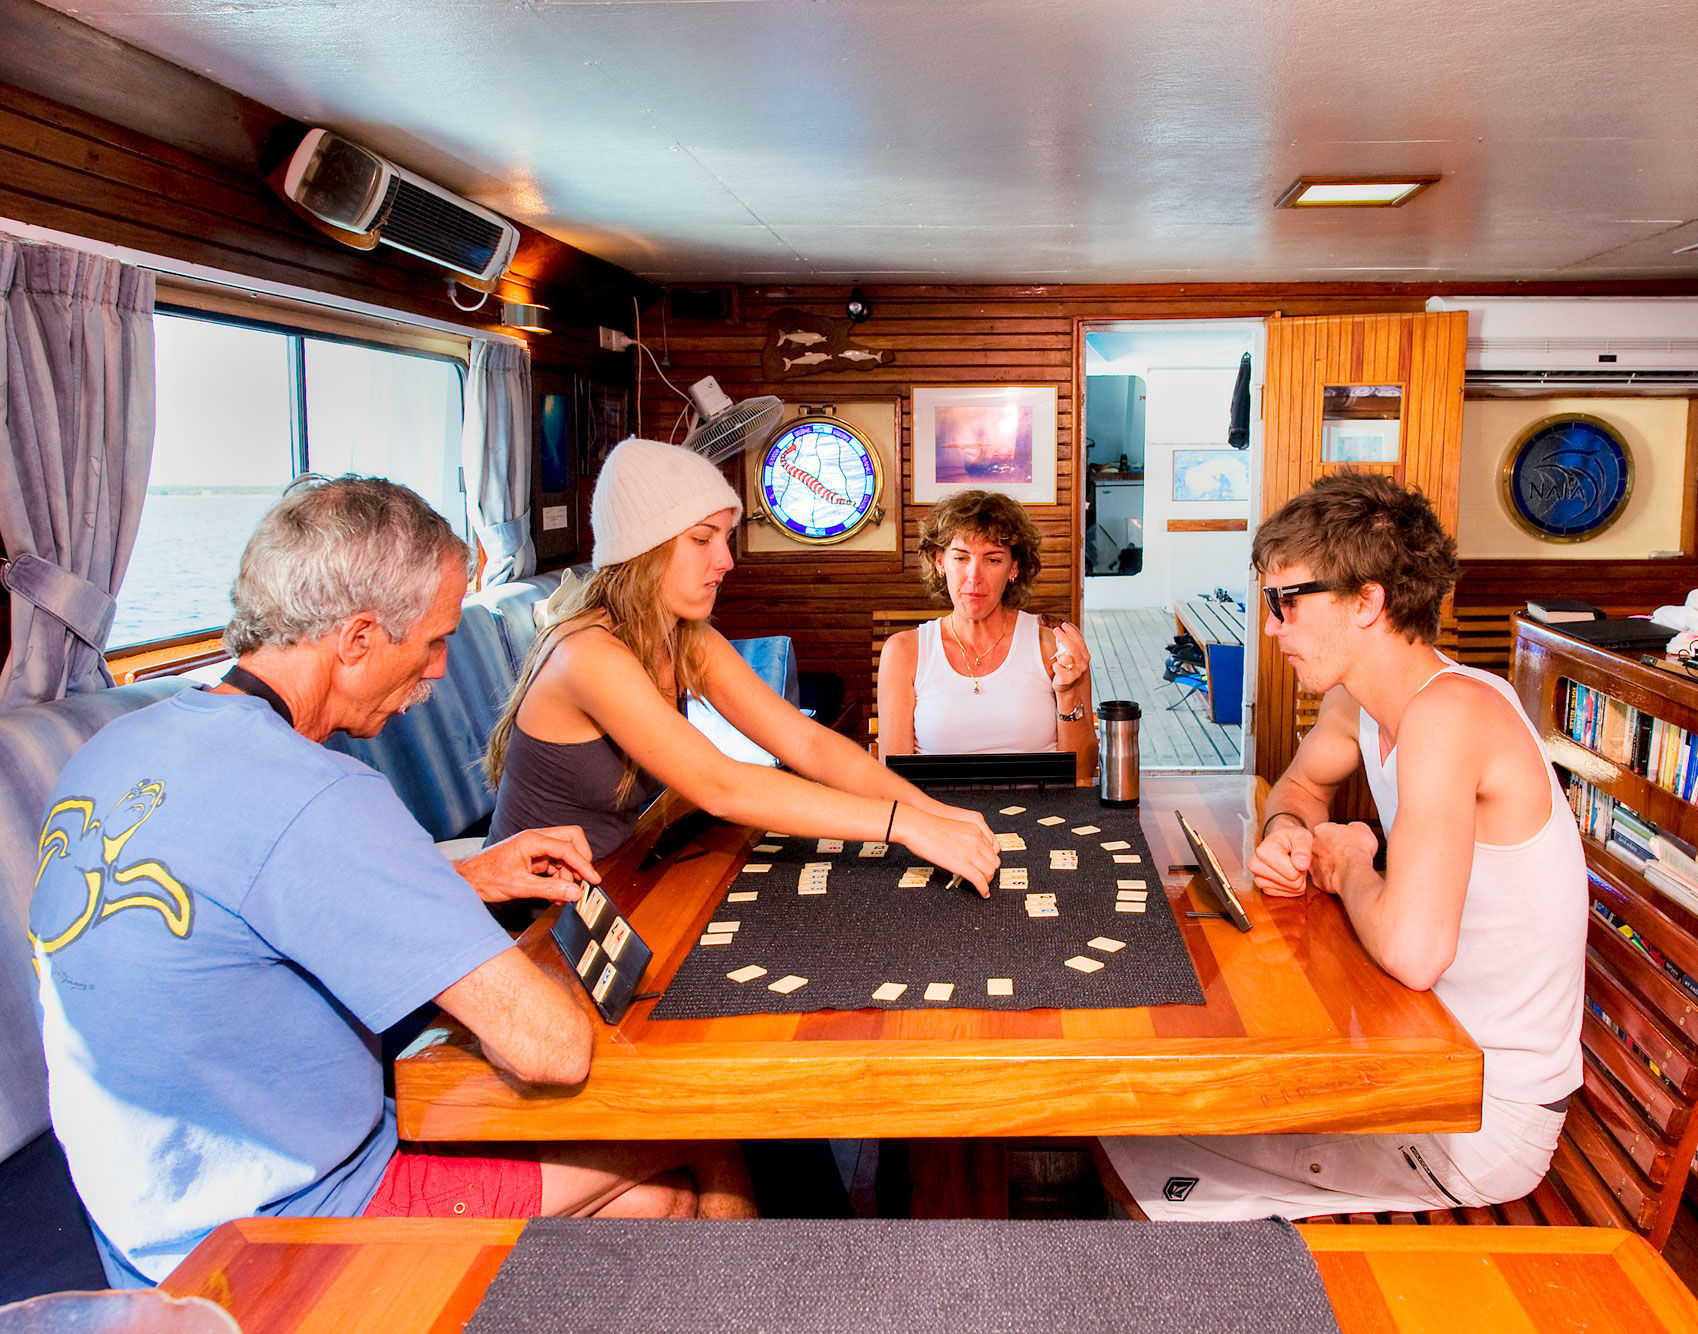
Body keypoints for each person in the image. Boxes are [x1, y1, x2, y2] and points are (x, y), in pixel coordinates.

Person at [30, 476, 755, 1289]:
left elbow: (237, 899)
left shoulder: (116, 752)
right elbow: (552, 1048)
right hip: (292, 1227)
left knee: (640, 1200)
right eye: (436, 639)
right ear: (358, 638)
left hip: (142, 1228)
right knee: (693, 1134)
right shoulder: (317, 795)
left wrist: (458, 876)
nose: (442, 668)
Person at [1099, 472, 1586, 1219]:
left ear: (1368, 601)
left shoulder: (1451, 715)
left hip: (1477, 1111)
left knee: (1124, 1130)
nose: (1271, 627)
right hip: (1421, 1056)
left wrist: (1352, 860)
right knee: (1138, 1115)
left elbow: (1415, 954)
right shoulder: (1358, 700)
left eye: (1287, 603)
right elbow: (1295, 790)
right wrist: (1290, 838)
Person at [485, 436, 999, 893]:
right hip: (532, 918)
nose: (726, 560)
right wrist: (906, 826)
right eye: (703, 538)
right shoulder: (588, 654)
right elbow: (721, 787)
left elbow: (805, 741)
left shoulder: (687, 637)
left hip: (613, 879)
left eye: (725, 538)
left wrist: (934, 812)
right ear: (645, 548)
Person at [877, 489, 1097, 771]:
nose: (974, 577)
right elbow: (894, 778)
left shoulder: (1054, 647)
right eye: (961, 558)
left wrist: (1068, 695)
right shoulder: (904, 652)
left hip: (1042, 811)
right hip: (940, 813)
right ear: (940, 561)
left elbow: (1082, 771)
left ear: (1014, 567)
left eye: (992, 560)